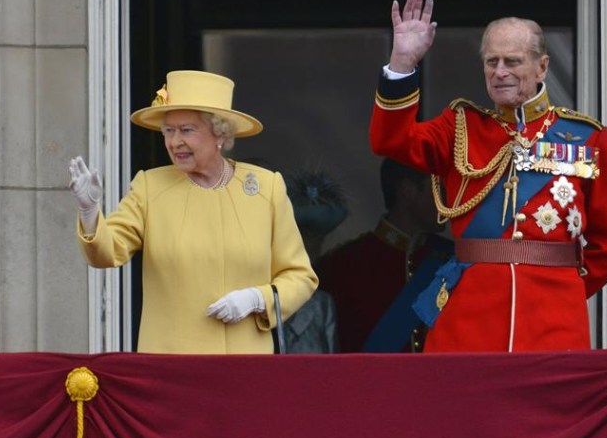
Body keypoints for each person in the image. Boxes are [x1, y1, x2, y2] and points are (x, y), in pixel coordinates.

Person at [369, 0, 607, 353]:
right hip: (467, 327)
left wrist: (564, 288)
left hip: (554, 325)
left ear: (542, 66)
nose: (501, 72)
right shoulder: (459, 127)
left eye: (513, 61)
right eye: (492, 62)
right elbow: (390, 141)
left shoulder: (588, 138)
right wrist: (401, 64)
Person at [69, 70, 318, 354]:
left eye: (187, 130)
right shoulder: (150, 187)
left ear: (220, 133)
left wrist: (257, 299)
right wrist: (89, 212)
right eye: (168, 131)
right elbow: (107, 253)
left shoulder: (265, 187)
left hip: (245, 368)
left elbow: (300, 277)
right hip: (171, 368)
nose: (175, 142)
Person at [314, 158, 453, 353]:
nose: (450, 201)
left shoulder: (452, 260)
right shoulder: (343, 266)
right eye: (441, 190)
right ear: (407, 190)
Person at [279, 167, 349, 354]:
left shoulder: (322, 305)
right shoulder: (257, 297)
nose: (310, 245)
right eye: (304, 235)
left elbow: (332, 368)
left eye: (317, 238)